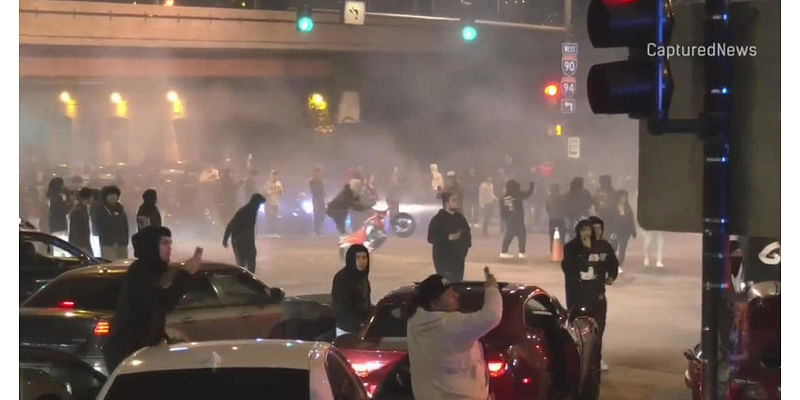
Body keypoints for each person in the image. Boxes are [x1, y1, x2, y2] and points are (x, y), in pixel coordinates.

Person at [103, 226, 202, 373]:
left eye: (170, 243)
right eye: (164, 243)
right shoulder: (140, 272)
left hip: (138, 352)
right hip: (128, 354)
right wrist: (186, 273)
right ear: (151, 245)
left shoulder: (151, 271)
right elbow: (162, 302)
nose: (169, 248)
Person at [406, 269, 502, 400]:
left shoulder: (416, 321)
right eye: (449, 295)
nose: (456, 295)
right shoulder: (446, 325)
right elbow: (491, 316)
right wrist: (492, 288)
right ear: (434, 304)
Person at [561, 219, 617, 371]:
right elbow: (568, 268)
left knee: (598, 329)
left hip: (597, 296)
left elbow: (613, 263)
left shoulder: (603, 246)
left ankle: (596, 359)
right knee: (578, 331)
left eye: (591, 230)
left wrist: (612, 276)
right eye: (584, 230)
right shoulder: (571, 247)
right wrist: (585, 251)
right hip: (578, 297)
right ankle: (577, 359)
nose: (590, 233)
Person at [427, 192, 471, 282]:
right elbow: (431, 237)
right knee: (446, 285)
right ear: (446, 203)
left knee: (457, 284)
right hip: (443, 259)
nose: (457, 202)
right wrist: (447, 238)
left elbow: (467, 235)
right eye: (453, 200)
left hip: (458, 260)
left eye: (457, 200)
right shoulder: (437, 219)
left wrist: (463, 251)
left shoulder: (460, 218)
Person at [331, 244, 372, 337]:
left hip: (363, 329)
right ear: (351, 259)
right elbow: (341, 308)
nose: (361, 261)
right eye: (358, 257)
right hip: (347, 330)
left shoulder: (363, 278)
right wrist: (360, 323)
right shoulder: (342, 278)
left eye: (364, 257)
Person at [223, 194, 266, 273]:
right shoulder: (245, 211)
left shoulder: (251, 210)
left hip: (243, 240)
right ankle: (247, 280)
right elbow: (231, 224)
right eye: (259, 205)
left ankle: (247, 279)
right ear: (255, 203)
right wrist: (225, 239)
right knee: (244, 263)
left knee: (246, 261)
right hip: (240, 240)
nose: (259, 207)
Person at [499, 180, 534, 260]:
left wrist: (504, 217)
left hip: (509, 219)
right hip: (518, 219)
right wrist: (531, 186)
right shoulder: (517, 194)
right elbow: (527, 194)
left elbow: (504, 210)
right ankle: (521, 252)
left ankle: (504, 252)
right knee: (522, 235)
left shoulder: (505, 197)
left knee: (509, 235)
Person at [97, 185, 129, 260]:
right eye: (111, 195)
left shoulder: (121, 209)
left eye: (115, 194)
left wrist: (125, 241)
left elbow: (125, 226)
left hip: (122, 243)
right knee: (110, 263)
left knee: (121, 264)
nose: (114, 197)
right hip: (108, 244)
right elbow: (98, 226)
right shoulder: (101, 209)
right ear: (106, 197)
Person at [610, 190, 636, 268]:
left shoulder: (628, 207)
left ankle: (619, 265)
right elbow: (610, 220)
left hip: (625, 232)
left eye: (625, 197)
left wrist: (633, 231)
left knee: (622, 249)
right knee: (614, 248)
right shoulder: (613, 207)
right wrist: (611, 231)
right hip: (615, 231)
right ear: (619, 197)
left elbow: (631, 220)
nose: (624, 198)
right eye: (623, 197)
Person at [564, 177, 593, 241]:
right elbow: (589, 203)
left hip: (573, 215)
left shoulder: (569, 193)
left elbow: (564, 204)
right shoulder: (585, 193)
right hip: (579, 215)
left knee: (572, 232)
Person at [68, 187, 93, 254]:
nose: (93, 199)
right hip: (80, 243)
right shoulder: (78, 210)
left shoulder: (82, 209)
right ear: (88, 197)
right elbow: (76, 229)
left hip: (82, 242)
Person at [545, 183, 567, 254]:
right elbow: (565, 206)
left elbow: (547, 208)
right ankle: (561, 249)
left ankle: (553, 250)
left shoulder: (548, 197)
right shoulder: (562, 197)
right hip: (560, 218)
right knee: (562, 234)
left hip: (552, 218)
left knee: (552, 234)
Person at [264, 170, 283, 239]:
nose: (274, 176)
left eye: (276, 175)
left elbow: (281, 192)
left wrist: (279, 192)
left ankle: (274, 232)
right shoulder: (268, 183)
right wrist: (273, 192)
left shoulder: (279, 183)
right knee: (270, 217)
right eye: (273, 175)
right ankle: (269, 232)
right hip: (269, 203)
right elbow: (266, 192)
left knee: (275, 217)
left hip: (276, 203)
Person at [309, 166, 327, 235]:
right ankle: (317, 230)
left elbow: (322, 189)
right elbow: (313, 190)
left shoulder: (321, 181)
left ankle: (318, 228)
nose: (319, 174)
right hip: (316, 199)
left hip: (321, 199)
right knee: (317, 214)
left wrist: (324, 193)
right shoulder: (312, 181)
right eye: (318, 172)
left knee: (322, 213)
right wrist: (320, 192)